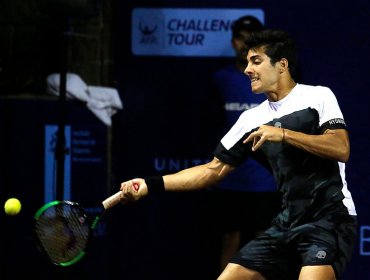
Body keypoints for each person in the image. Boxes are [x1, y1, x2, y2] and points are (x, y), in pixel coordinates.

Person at [118, 29, 357, 280]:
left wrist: (284, 134)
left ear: (282, 65)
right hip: (286, 224)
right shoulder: (250, 119)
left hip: (329, 220)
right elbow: (212, 170)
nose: (247, 70)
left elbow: (341, 148)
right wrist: (150, 184)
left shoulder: (318, 96)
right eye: (246, 63)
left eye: (256, 61)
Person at [210, 15, 280, 270]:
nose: (244, 44)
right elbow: (212, 125)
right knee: (229, 239)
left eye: (251, 40)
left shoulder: (275, 79)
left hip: (266, 179)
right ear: (233, 42)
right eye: (240, 38)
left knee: (265, 242)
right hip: (230, 178)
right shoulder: (220, 79)